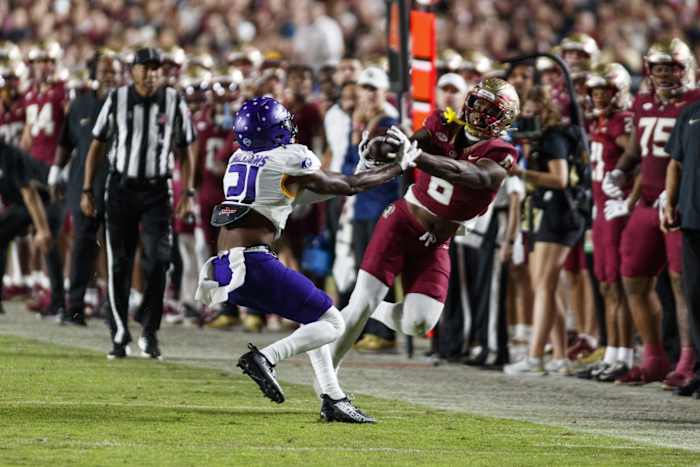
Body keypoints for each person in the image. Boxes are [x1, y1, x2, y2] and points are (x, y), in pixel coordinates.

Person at [195, 96, 418, 422]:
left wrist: (360, 169)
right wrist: (399, 167)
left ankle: (333, 397)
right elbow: (349, 186)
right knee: (331, 323)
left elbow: (311, 190)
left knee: (313, 315)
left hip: (227, 264)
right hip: (254, 263)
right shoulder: (291, 157)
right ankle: (267, 358)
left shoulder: (239, 158)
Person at [321, 78, 519, 409]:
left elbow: (467, 174)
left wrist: (417, 158)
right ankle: (329, 383)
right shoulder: (443, 121)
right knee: (362, 302)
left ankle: (356, 309)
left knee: (419, 322)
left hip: (437, 241)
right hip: (401, 221)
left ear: (504, 118)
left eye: (490, 109)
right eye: (477, 102)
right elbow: (411, 146)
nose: (479, 112)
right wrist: (382, 147)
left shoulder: (502, 153)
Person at [81, 47, 197, 360]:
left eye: (156, 68)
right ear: (132, 71)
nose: (151, 74)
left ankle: (149, 328)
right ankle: (119, 332)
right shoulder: (117, 99)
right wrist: (87, 189)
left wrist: (188, 191)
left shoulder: (174, 101)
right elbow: (96, 144)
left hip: (158, 190)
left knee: (160, 260)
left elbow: (187, 149)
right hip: (120, 187)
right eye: (145, 68)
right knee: (119, 261)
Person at [603, 39, 700, 386]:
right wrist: (619, 171)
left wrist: (674, 195)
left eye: (671, 67)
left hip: (677, 204)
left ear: (685, 68)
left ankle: (688, 358)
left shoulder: (694, 103)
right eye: (658, 68)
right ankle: (654, 356)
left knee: (682, 284)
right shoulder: (643, 102)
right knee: (633, 278)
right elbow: (636, 149)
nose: (665, 75)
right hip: (646, 201)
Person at [504, 86, 585, 376]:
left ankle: (536, 356)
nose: (527, 118)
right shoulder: (537, 139)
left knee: (544, 286)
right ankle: (560, 355)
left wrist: (522, 173)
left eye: (532, 112)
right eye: (524, 113)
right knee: (545, 288)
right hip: (543, 212)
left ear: (544, 110)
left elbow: (560, 178)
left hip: (560, 212)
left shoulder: (553, 137)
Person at [49, 48, 122, 326]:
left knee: (117, 246)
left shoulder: (128, 104)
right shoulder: (79, 104)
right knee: (82, 244)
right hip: (83, 184)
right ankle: (75, 306)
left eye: (114, 72)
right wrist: (56, 171)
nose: (110, 77)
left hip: (118, 185)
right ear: (94, 74)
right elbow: (66, 141)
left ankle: (114, 307)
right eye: (105, 71)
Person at [577, 63, 636, 382]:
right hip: (600, 210)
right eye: (595, 90)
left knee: (617, 285)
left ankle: (624, 354)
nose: (598, 96)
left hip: (615, 209)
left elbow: (638, 156)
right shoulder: (599, 121)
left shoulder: (620, 122)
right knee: (604, 284)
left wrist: (628, 196)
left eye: (604, 91)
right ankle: (612, 351)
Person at [664, 96, 700, 399]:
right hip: (692, 218)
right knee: (695, 295)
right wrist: (670, 202)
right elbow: (675, 162)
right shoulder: (690, 113)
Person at [0, 140, 58, 316]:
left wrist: (42, 228)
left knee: (48, 242)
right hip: (26, 204)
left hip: (49, 199)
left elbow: (29, 192)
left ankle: (58, 299)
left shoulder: (7, 155)